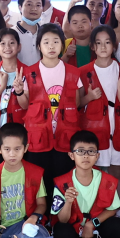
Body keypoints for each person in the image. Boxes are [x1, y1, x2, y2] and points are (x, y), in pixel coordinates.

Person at [18, 24, 84, 188]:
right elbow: (25, 105)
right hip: (37, 138)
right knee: (39, 185)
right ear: (39, 46)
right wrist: (19, 92)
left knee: (64, 184)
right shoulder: (29, 73)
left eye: (56, 41)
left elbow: (76, 103)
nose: (51, 46)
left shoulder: (73, 72)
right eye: (46, 42)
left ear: (62, 45)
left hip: (66, 138)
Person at [50, 131, 120, 238]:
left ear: (97, 156)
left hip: (95, 228)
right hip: (73, 227)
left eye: (91, 151)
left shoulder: (107, 180)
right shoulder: (62, 183)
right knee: (60, 231)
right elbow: (62, 219)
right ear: (71, 155)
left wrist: (92, 224)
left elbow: (112, 209)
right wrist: (68, 202)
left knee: (118, 226)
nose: (86, 155)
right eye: (80, 151)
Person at [78, 26, 120, 206]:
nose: (103, 47)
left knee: (117, 172)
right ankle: (98, 209)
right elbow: (76, 104)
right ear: (92, 46)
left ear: (114, 45)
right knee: (97, 172)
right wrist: (89, 97)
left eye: (107, 42)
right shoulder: (82, 72)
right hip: (95, 129)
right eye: (98, 43)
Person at [0, 28, 28, 165]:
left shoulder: (27, 72)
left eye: (12, 43)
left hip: (18, 133)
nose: (7, 47)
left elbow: (26, 105)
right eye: (2, 43)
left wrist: (19, 91)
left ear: (19, 47)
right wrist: (2, 87)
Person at [12, 0, 45, 66]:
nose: (34, 9)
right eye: (29, 4)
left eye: (38, 5)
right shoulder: (11, 33)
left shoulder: (45, 33)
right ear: (20, 7)